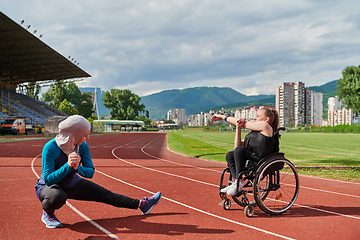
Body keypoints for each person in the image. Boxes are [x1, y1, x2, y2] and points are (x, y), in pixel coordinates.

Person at [35, 115, 162, 228]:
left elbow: (90, 172)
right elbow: (48, 179)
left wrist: (77, 168)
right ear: (75, 135)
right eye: (85, 135)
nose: (88, 137)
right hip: (50, 187)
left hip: (71, 183)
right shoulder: (50, 147)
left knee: (106, 194)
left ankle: (143, 204)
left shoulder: (82, 146)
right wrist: (67, 166)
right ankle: (48, 213)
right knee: (57, 196)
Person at [211, 108, 279, 196]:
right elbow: (237, 148)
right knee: (230, 155)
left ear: (266, 119)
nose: (255, 118)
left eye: (258, 116)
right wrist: (238, 129)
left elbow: (243, 124)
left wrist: (222, 117)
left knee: (239, 151)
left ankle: (238, 182)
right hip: (252, 159)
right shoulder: (252, 134)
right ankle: (237, 181)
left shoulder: (266, 127)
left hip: (261, 161)